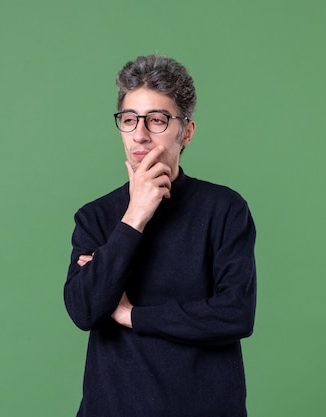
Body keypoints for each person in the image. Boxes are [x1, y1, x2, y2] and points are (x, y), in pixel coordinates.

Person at [64, 54, 257, 417]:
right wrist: (134, 216)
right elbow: (84, 310)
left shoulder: (225, 209)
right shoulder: (97, 217)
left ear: (186, 132)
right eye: (128, 120)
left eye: (156, 120)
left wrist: (132, 316)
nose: (139, 133)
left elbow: (235, 314)